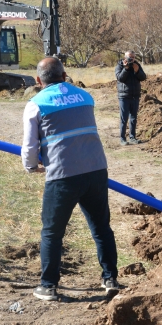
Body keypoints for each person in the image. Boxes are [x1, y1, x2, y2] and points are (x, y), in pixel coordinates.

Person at [22, 57, 120, 301]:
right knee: (101, 228)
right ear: (64, 75)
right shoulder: (85, 97)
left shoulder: (36, 104)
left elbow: (29, 146)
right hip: (96, 170)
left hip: (62, 175)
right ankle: (110, 279)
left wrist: (31, 167)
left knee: (52, 233)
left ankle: (48, 286)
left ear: (38, 80)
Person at [115, 51, 147, 146]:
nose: (131, 59)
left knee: (133, 118)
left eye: (133, 57)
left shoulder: (137, 65)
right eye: (129, 57)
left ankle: (132, 137)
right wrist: (126, 68)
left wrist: (137, 71)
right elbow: (120, 78)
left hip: (135, 96)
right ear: (125, 57)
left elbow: (143, 77)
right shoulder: (120, 65)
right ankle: (122, 139)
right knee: (124, 118)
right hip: (124, 96)